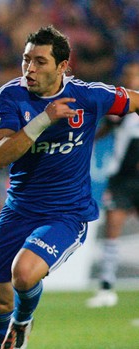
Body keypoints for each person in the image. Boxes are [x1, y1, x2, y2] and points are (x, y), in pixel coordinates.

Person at [0, 25, 139, 349]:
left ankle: (23, 320)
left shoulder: (89, 96)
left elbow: (133, 101)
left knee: (23, 274)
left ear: (62, 66)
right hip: (18, 210)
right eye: (26, 60)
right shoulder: (9, 97)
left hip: (66, 214)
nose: (30, 69)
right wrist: (44, 119)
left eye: (40, 62)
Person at [86, 61, 139, 308]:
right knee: (112, 227)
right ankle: (107, 287)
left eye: (133, 75)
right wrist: (84, 142)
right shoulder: (123, 106)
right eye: (126, 74)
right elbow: (106, 128)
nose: (129, 78)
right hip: (121, 178)